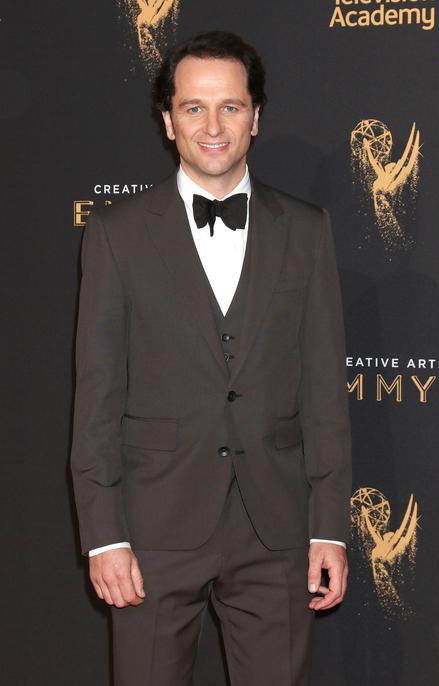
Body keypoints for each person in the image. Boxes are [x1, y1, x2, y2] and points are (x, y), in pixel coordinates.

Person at [70, 29, 352, 686]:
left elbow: (323, 393)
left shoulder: (306, 230)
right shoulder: (116, 235)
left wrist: (330, 528)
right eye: (194, 107)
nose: (213, 126)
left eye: (230, 106)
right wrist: (104, 535)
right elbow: (97, 397)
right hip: (152, 529)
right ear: (168, 120)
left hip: (276, 532)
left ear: (256, 116)